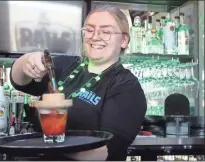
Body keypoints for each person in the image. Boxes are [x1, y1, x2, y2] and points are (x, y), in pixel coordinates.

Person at [10, 5, 147, 161]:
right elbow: (19, 82)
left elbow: (108, 151)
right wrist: (26, 61)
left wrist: (49, 147)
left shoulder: (126, 86)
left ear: (124, 40)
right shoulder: (64, 65)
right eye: (89, 30)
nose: (95, 36)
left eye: (106, 31)